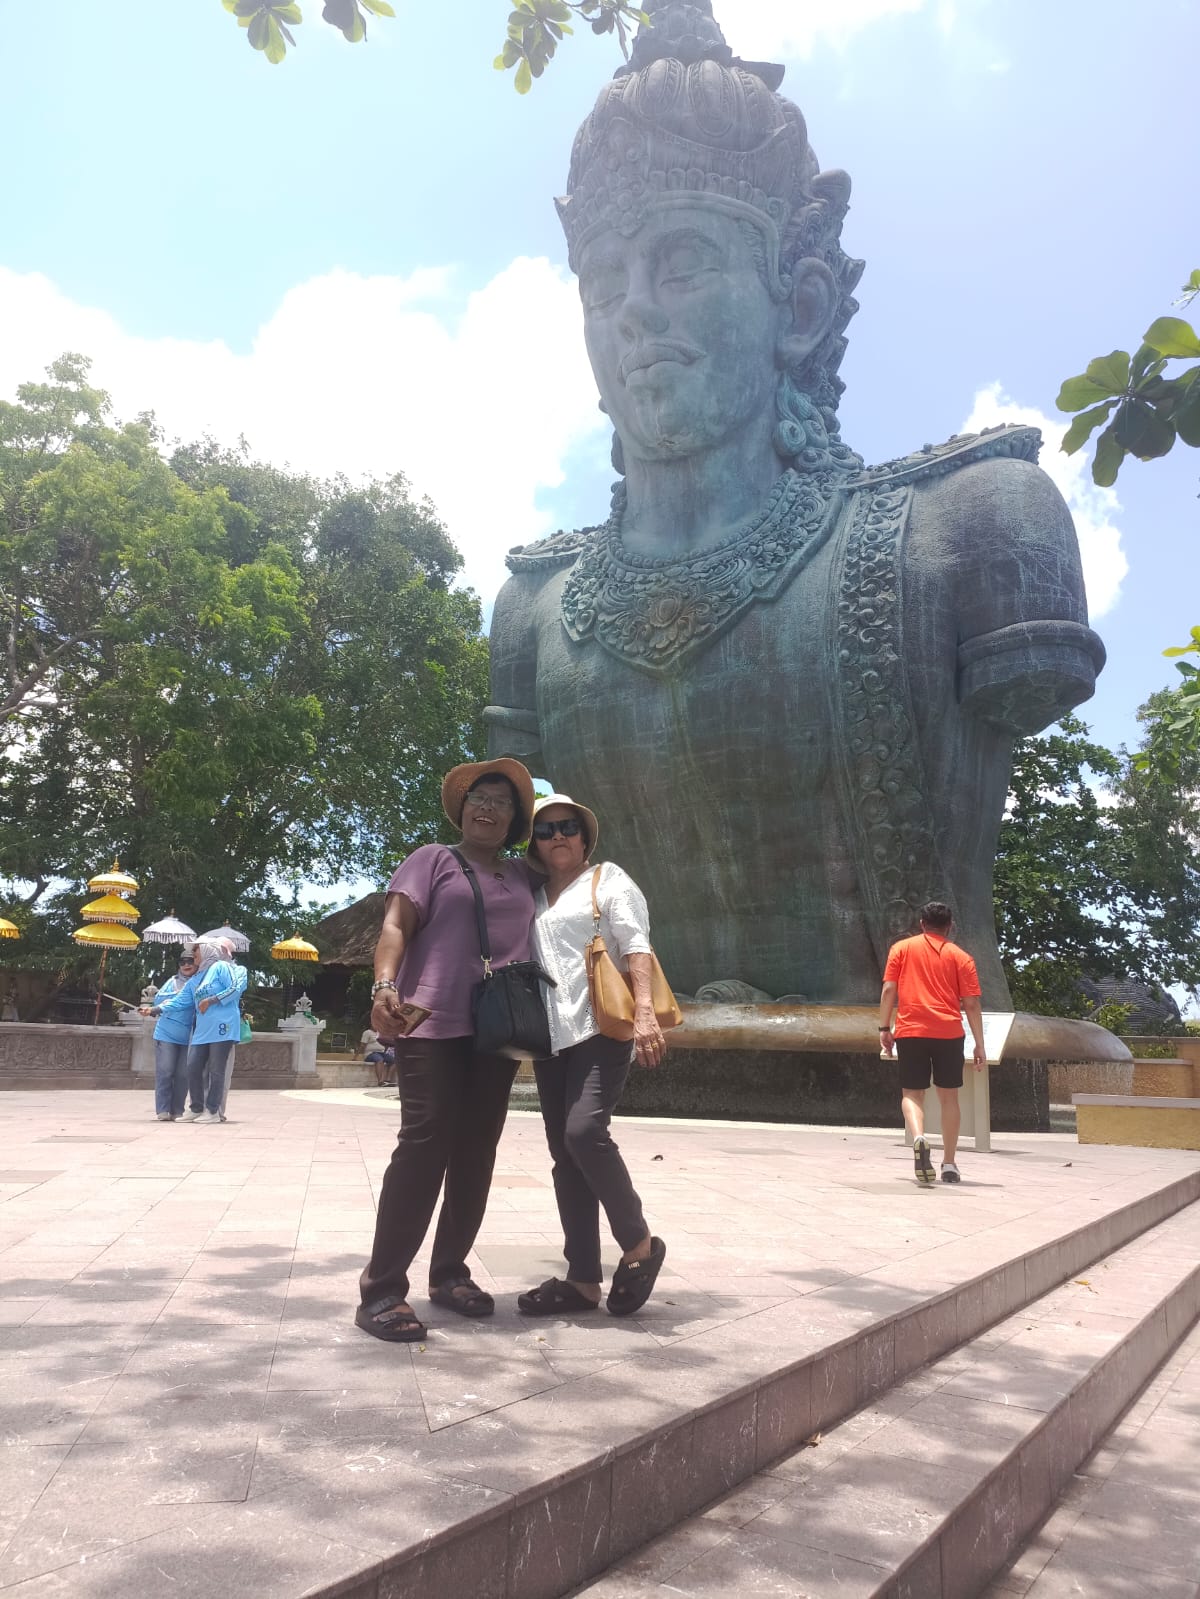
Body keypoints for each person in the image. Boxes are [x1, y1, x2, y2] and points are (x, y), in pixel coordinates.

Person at [486, 0, 1103, 1009]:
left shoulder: (972, 524)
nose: (635, 304)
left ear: (802, 307)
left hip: (916, 1083)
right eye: (604, 280)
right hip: (624, 1064)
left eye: (681, 261)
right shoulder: (536, 611)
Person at [355, 758, 538, 1343]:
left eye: (503, 802)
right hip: (431, 1020)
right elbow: (396, 927)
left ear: (516, 820)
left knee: (477, 1150)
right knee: (424, 1143)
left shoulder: (522, 875)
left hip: (498, 1025)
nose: (488, 808)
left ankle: (450, 1274)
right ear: (462, 808)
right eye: (480, 798)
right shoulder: (432, 858)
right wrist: (385, 984)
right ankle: (382, 1288)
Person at [516, 793, 667, 1319]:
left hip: (601, 1028)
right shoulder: (531, 892)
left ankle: (639, 1243)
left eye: (567, 827)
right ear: (533, 841)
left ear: (584, 837)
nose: (557, 836)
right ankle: (582, 1279)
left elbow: (636, 946)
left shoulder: (608, 879)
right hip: (550, 1038)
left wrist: (644, 1012)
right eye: (545, 830)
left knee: (585, 1133)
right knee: (565, 1157)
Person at [878, 902, 986, 1186]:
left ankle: (919, 1138)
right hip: (949, 1033)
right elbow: (972, 1004)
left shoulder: (901, 949)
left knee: (912, 1094)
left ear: (922, 923)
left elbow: (889, 988)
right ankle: (949, 1164)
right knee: (949, 1098)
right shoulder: (961, 957)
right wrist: (979, 1044)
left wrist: (884, 1027)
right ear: (950, 926)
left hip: (911, 1030)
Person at [157, 937, 242, 1124]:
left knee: (216, 1070)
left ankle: (212, 1111)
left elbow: (236, 989)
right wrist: (156, 1009)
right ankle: (196, 1108)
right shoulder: (197, 977)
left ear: (206, 951)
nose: (192, 956)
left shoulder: (222, 968)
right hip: (202, 1030)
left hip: (223, 1026)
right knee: (193, 1067)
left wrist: (211, 1000)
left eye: (196, 952)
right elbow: (181, 1000)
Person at [142, 947, 199, 1121]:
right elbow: (159, 1001)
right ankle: (162, 1109)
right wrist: (173, 997)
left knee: (183, 1075)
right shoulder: (172, 982)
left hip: (188, 1035)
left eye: (190, 961)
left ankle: (178, 1110)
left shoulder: (200, 982)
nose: (186, 965)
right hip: (167, 1033)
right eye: (183, 962)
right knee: (165, 1071)